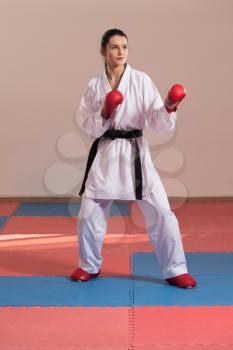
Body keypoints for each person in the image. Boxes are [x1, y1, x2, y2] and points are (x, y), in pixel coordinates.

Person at [70, 28, 197, 288]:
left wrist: (169, 106)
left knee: (162, 213)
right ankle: (88, 265)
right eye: (115, 47)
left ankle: (175, 269)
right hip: (106, 152)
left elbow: (157, 123)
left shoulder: (141, 80)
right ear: (103, 51)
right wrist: (105, 111)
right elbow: (88, 126)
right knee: (88, 213)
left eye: (124, 47)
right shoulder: (95, 85)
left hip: (135, 154)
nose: (120, 52)